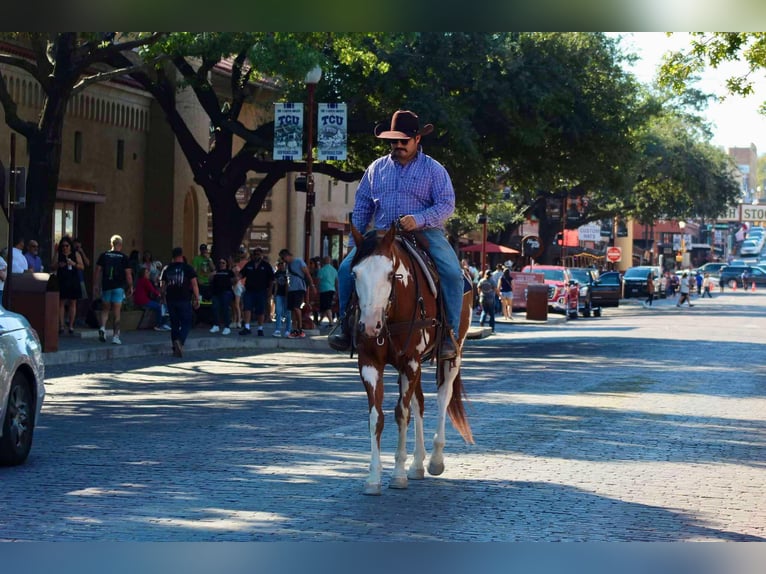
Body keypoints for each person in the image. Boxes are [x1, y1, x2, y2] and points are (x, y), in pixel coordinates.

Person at [330, 110, 463, 359]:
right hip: (380, 234)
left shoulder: (434, 169)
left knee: (453, 274)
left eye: (404, 141)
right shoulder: (375, 169)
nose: (398, 145)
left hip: (425, 233)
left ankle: (448, 333)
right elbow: (361, 207)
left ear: (417, 140)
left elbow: (446, 204)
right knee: (345, 269)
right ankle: (345, 326)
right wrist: (353, 244)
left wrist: (419, 219)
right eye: (394, 141)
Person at [160, 246, 200, 358]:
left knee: (174, 324)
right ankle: (180, 341)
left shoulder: (167, 269)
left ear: (172, 256)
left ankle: (175, 348)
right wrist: (197, 298)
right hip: (184, 299)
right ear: (182, 256)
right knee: (187, 322)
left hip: (171, 299)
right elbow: (194, 284)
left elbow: (162, 286)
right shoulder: (187, 268)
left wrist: (162, 297)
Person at [94, 234, 134, 345]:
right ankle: (116, 337)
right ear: (120, 245)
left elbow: (97, 270)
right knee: (117, 313)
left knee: (105, 309)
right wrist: (130, 286)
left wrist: (96, 284)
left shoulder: (104, 255)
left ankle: (102, 328)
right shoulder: (124, 257)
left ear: (111, 244)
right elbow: (128, 274)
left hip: (106, 286)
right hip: (118, 287)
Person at [239, 247, 274, 336]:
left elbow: (271, 279)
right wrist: (236, 277)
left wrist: (270, 291)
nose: (256, 256)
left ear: (261, 255)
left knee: (260, 310)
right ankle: (247, 327)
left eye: (258, 254)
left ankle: (260, 328)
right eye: (255, 254)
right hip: (249, 290)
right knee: (247, 307)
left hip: (261, 291)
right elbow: (242, 274)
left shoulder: (266, 265)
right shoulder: (249, 264)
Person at [280, 248, 315, 339]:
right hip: (292, 289)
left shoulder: (298, 261)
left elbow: (307, 273)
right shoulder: (288, 266)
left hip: (299, 288)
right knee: (292, 310)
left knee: (296, 307)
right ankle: (294, 329)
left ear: (287, 255)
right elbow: (288, 279)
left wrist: (312, 285)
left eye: (283, 258)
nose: (283, 260)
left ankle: (300, 329)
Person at [54, 236, 84, 334]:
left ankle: (71, 326)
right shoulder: (58, 254)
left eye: (67, 246)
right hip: (62, 280)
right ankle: (61, 325)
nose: (65, 248)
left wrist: (73, 263)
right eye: (63, 246)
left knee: (72, 302)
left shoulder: (75, 254)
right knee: (61, 303)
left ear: (70, 246)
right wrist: (58, 265)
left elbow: (82, 266)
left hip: (73, 280)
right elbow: (52, 265)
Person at [133, 267, 170, 331]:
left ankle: (161, 323)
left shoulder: (139, 280)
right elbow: (152, 290)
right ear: (143, 274)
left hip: (140, 300)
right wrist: (160, 294)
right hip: (143, 300)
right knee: (159, 306)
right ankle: (159, 325)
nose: (148, 274)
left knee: (158, 305)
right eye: (147, 272)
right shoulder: (145, 280)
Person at [209, 257, 236, 335]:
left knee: (225, 308)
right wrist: (212, 275)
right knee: (215, 308)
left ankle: (227, 327)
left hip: (226, 292)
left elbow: (235, 280)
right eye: (220, 263)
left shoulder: (229, 272)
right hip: (216, 292)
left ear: (226, 264)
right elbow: (210, 280)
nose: (221, 264)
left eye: (223, 263)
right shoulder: (216, 271)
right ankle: (216, 325)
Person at [317, 256, 338, 328]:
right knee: (325, 306)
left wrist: (317, 289)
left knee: (327, 306)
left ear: (324, 261)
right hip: (332, 289)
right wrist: (336, 290)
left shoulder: (321, 270)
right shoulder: (334, 270)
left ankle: (331, 322)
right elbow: (336, 281)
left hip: (324, 289)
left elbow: (318, 281)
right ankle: (320, 321)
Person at [272, 259, 291, 337]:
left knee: (288, 313)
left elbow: (288, 284)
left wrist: (287, 295)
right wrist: (275, 295)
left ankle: (288, 330)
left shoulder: (288, 273)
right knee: (278, 312)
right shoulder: (276, 274)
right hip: (279, 294)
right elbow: (275, 285)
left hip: (287, 294)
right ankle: (277, 330)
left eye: (282, 264)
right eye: (279, 264)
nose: (281, 265)